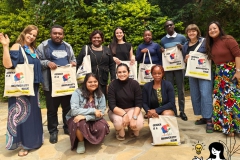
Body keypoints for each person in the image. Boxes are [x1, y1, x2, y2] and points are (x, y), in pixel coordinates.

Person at [0, 25, 43, 156]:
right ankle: (23, 144)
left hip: (33, 88)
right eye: (29, 33)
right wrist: (5, 46)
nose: (31, 36)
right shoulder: (16, 46)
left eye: (34, 35)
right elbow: (8, 65)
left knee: (33, 116)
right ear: (24, 33)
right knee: (22, 116)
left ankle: (34, 141)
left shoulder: (33, 49)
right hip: (21, 88)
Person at [36, 25, 77, 143]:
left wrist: (73, 63)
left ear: (63, 35)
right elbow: (36, 61)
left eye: (60, 33)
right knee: (52, 110)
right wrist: (47, 63)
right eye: (55, 33)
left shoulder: (67, 46)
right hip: (50, 84)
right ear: (51, 34)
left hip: (66, 83)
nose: (57, 35)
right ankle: (53, 131)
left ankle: (67, 127)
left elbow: (73, 59)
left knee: (67, 108)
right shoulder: (43, 46)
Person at [206, 21, 240, 136]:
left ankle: (237, 128)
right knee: (221, 101)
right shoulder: (210, 44)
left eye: (214, 28)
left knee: (233, 101)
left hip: (231, 72)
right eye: (210, 29)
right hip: (219, 74)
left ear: (219, 29)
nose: (212, 30)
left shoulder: (228, 39)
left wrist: (238, 71)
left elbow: (238, 55)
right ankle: (227, 128)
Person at [66, 73, 109, 154]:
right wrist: (93, 110)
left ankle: (89, 137)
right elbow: (74, 111)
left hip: (93, 118)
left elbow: (101, 113)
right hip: (77, 117)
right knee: (78, 123)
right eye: (90, 82)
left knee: (102, 126)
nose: (93, 84)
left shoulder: (101, 95)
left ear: (98, 82)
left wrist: (85, 117)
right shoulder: (77, 93)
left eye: (95, 81)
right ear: (85, 82)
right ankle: (81, 142)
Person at [182, 24, 213, 133]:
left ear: (197, 32)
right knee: (195, 95)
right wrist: (186, 59)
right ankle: (204, 117)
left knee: (205, 93)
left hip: (204, 72)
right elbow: (184, 59)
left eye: (193, 31)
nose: (191, 33)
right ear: (187, 33)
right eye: (189, 31)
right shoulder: (185, 45)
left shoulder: (205, 41)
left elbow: (211, 53)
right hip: (193, 73)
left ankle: (209, 119)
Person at [160, 20, 188, 121]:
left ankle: (182, 111)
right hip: (168, 68)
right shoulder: (163, 40)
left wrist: (183, 47)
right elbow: (164, 53)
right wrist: (162, 51)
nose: (169, 27)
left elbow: (187, 49)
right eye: (167, 26)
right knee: (170, 89)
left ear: (174, 26)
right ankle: (173, 109)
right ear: (165, 28)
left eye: (171, 25)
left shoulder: (181, 37)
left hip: (179, 67)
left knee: (181, 89)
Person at [108, 63, 144, 140]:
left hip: (132, 109)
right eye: (119, 72)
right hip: (117, 111)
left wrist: (134, 118)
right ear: (116, 73)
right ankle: (120, 131)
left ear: (129, 72)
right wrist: (124, 115)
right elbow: (111, 105)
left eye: (124, 72)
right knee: (118, 122)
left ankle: (131, 127)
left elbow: (139, 103)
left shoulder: (134, 84)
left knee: (138, 125)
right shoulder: (112, 85)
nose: (122, 74)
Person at [76, 30, 116, 98]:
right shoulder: (86, 49)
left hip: (103, 80)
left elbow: (112, 65)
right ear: (91, 38)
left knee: (102, 99)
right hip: (89, 81)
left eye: (99, 37)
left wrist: (113, 78)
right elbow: (78, 63)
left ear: (102, 39)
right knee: (89, 100)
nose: (96, 39)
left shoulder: (107, 50)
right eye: (94, 37)